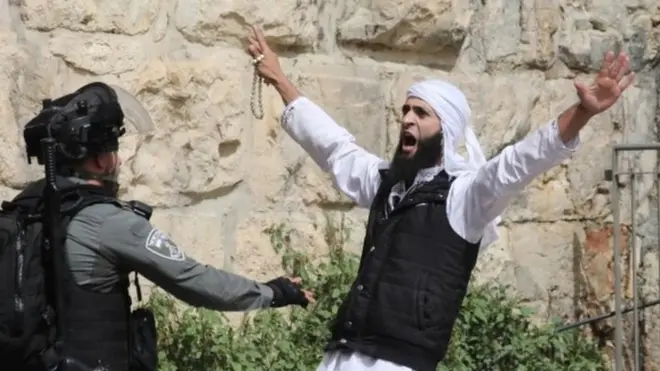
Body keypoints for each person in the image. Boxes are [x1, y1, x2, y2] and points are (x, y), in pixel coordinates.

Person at [246, 25, 635, 371]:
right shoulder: (389, 185)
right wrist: (280, 79)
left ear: (445, 129)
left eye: (420, 113)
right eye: (405, 110)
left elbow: (518, 164)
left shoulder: (464, 197)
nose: (407, 119)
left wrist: (582, 111)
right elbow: (334, 149)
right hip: (343, 353)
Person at [0, 82, 314, 371]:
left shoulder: (28, 205)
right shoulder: (109, 222)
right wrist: (272, 292)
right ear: (99, 161)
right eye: (114, 150)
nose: (119, 161)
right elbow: (195, 281)